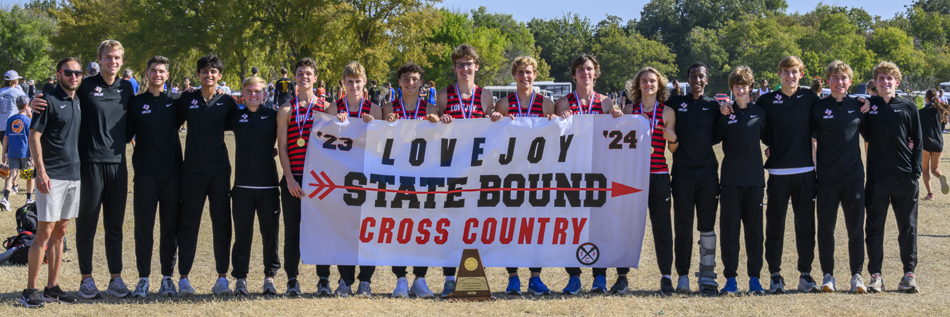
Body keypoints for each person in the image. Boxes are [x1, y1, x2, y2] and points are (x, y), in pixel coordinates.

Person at [31, 40, 136, 299]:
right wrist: (37, 98)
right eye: (108, 57)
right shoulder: (85, 86)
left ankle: (116, 279)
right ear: (99, 59)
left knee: (115, 225)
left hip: (118, 165)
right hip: (88, 166)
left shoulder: (127, 89)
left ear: (122, 61)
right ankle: (86, 279)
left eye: (117, 58)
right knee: (85, 225)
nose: (113, 62)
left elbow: (132, 123)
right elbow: (57, 93)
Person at [724, 56, 820, 294]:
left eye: (794, 71)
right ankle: (775, 275)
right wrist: (722, 107)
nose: (790, 76)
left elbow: (828, 121)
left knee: (805, 227)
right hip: (776, 172)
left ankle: (805, 274)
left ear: (801, 74)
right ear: (778, 74)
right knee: (774, 227)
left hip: (805, 171)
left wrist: (864, 102)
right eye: (785, 71)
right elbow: (757, 126)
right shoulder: (766, 101)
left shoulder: (810, 97)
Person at [489, 56, 555, 296]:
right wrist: (496, 120)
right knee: (512, 226)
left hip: (537, 174)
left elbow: (555, 138)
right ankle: (513, 276)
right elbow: (494, 140)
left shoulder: (547, 104)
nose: (524, 76)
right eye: (520, 72)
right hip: (511, 174)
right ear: (514, 75)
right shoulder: (504, 104)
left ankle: (535, 277)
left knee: (536, 226)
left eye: (528, 72)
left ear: (535, 75)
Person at [20, 56, 84, 308]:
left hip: (74, 175)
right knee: (44, 232)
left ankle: (52, 287)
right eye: (69, 72)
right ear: (59, 74)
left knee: (61, 232)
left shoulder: (77, 99)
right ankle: (30, 290)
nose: (74, 77)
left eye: (78, 73)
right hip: (52, 175)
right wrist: (40, 171)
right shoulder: (47, 100)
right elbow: (34, 135)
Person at [433, 44, 496, 298]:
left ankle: (477, 276)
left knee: (476, 225)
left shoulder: (486, 95)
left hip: (479, 172)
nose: (465, 68)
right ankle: (449, 278)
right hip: (451, 171)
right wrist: (439, 121)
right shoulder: (444, 95)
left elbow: (493, 123)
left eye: (469, 64)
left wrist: (495, 119)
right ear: (455, 68)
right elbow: (432, 127)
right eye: (460, 64)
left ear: (476, 66)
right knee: (450, 225)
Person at [175, 54, 239, 296]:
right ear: (199, 74)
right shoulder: (186, 99)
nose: (208, 75)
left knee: (221, 223)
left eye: (213, 71)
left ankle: (222, 278)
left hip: (220, 171)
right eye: (204, 71)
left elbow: (246, 127)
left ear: (220, 76)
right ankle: (183, 278)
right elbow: (169, 124)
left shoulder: (227, 102)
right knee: (188, 223)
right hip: (192, 171)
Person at [554, 53, 617, 295]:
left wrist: (618, 118)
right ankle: (574, 277)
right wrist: (560, 120)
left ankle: (600, 277)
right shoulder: (563, 103)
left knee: (599, 224)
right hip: (572, 170)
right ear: (573, 74)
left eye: (589, 68)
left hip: (599, 170)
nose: (585, 73)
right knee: (573, 225)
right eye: (580, 69)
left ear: (596, 73)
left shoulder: (606, 102)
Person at [809, 61, 869, 293]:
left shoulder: (860, 105)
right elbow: (801, 133)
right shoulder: (818, 107)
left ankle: (857, 276)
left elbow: (876, 134)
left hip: (853, 177)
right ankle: (828, 276)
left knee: (855, 229)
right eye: (834, 77)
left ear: (850, 81)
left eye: (843, 78)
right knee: (826, 229)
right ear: (827, 81)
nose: (839, 82)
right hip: (826, 178)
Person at [381, 62, 439, 299]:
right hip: (396, 175)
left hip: (424, 175)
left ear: (421, 82)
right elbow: (380, 138)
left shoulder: (431, 108)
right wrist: (387, 124)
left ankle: (420, 278)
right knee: (398, 227)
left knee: (422, 227)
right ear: (399, 82)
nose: (410, 83)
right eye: (406, 79)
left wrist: (437, 126)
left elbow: (440, 142)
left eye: (415, 79)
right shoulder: (387, 108)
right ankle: (400, 279)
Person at [125, 56, 182, 298]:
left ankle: (167, 278)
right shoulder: (136, 103)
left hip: (172, 174)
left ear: (167, 76)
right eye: (153, 71)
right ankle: (143, 279)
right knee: (143, 228)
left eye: (161, 71)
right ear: (146, 73)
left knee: (170, 228)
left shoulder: (177, 102)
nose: (157, 74)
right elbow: (125, 135)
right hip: (146, 174)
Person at [864, 61, 922, 293]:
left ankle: (909, 274)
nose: (885, 82)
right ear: (875, 83)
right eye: (881, 78)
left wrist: (915, 171)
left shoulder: (909, 107)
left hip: (904, 179)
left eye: (889, 78)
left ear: (897, 82)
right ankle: (875, 275)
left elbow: (917, 141)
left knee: (907, 228)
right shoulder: (869, 107)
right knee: (874, 228)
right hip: (877, 179)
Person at [277, 58, 332, 297]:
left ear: (315, 78)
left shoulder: (327, 107)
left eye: (308, 73)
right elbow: (282, 147)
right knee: (292, 231)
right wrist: (289, 179)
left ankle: (323, 280)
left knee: (322, 230)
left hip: (320, 180)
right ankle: (292, 280)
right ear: (294, 78)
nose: (304, 77)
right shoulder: (285, 109)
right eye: (300, 73)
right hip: (294, 179)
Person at [620, 67, 678, 296]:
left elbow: (672, 148)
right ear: (638, 85)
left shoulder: (668, 112)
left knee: (662, 228)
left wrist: (673, 139)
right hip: (632, 177)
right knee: (627, 227)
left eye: (652, 81)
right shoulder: (627, 110)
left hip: (658, 175)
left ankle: (666, 277)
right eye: (643, 81)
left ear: (659, 85)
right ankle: (622, 277)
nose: (648, 84)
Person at [666, 62, 721, 296]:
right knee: (683, 227)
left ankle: (707, 276)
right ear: (687, 79)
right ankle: (684, 276)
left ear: (707, 80)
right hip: (682, 175)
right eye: (693, 76)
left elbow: (720, 136)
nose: (697, 80)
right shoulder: (675, 104)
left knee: (707, 227)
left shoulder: (715, 106)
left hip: (708, 175)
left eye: (701, 76)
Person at [325, 61, 380, 297]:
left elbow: (382, 146)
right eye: (350, 82)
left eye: (358, 81)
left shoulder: (375, 109)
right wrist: (338, 125)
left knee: (368, 228)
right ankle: (345, 280)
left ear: (364, 82)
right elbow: (325, 143)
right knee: (344, 229)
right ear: (343, 83)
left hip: (368, 177)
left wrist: (372, 125)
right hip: (342, 178)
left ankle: (365, 280)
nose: (354, 85)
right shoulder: (332, 108)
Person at [713, 66, 766, 296]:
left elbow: (773, 136)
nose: (740, 89)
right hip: (731, 181)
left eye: (744, 85)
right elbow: (713, 137)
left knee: (754, 232)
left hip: (755, 180)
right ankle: (731, 279)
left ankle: (755, 279)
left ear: (750, 87)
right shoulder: (726, 112)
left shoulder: (760, 112)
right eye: (736, 86)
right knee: (729, 232)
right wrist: (721, 113)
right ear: (732, 88)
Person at [226, 76, 281, 296]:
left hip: (268, 186)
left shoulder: (274, 116)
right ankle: (240, 279)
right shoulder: (235, 115)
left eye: (257, 91)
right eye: (248, 91)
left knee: (270, 236)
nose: (253, 95)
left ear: (264, 94)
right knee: (242, 237)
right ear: (243, 93)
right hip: (242, 187)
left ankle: (270, 278)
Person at [3, 95, 34, 211]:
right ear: (26, 106)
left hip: (12, 152)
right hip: (25, 152)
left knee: (12, 175)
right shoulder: (28, 121)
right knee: (30, 176)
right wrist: (33, 157)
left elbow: (5, 138)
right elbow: (31, 139)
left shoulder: (10, 119)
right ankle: (29, 199)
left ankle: (5, 199)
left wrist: (3, 154)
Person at [921, 89, 949, 200]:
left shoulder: (921, 112)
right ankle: (941, 176)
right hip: (938, 142)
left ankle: (930, 194)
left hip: (926, 143)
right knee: (935, 169)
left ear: (926, 98)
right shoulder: (941, 111)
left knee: (925, 170)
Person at [2, 70, 27, 149]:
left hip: (1, 126)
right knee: (14, 153)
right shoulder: (19, 93)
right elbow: (26, 107)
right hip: (15, 126)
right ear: (16, 81)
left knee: (6, 152)